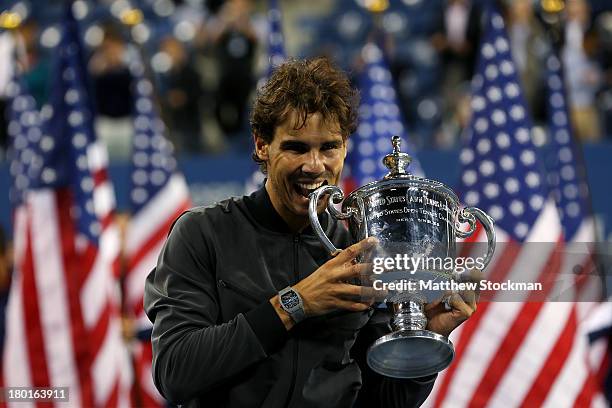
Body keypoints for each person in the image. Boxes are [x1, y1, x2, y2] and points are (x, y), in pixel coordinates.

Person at [144, 57, 477, 407]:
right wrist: (295, 304)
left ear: (345, 148)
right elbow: (175, 372)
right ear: (261, 146)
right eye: (296, 147)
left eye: (329, 147)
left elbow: (383, 400)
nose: (314, 166)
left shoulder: (359, 248)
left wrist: (424, 339)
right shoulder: (202, 232)